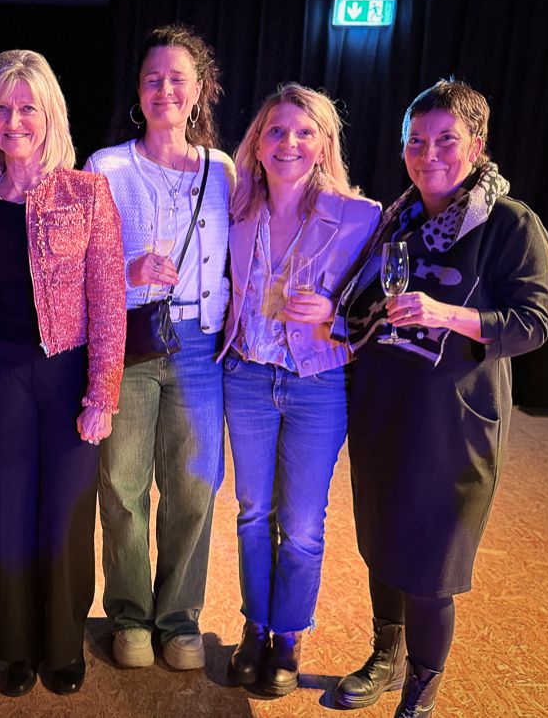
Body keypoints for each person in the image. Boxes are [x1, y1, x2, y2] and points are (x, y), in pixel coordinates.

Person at [332, 79, 548, 717]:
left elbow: (533, 324)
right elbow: (360, 303)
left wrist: (445, 314)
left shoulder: (510, 224)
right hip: (383, 406)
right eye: (416, 141)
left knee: (432, 566)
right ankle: (385, 656)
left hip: (453, 424)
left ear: (477, 145)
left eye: (446, 140)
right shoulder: (396, 218)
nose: (429, 154)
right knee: (381, 541)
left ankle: (421, 693)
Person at [0, 49, 125, 697]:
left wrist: (101, 395)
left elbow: (109, 302)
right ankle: (14, 646)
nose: (13, 121)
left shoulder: (87, 192)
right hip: (3, 372)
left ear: (49, 115)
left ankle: (63, 647)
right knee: (8, 512)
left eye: (26, 108)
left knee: (65, 517)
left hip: (69, 374)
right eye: (1, 108)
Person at [218, 83, 380, 695]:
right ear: (257, 143)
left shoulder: (361, 216)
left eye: (304, 132)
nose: (289, 142)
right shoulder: (235, 208)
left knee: (304, 522)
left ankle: (288, 634)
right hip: (247, 375)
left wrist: (333, 315)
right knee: (252, 512)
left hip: (317, 383)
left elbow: (377, 309)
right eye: (277, 130)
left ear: (324, 143)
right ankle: (255, 627)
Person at [84, 24, 233, 671]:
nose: (165, 89)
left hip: (199, 343)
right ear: (138, 92)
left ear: (200, 90)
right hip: (129, 340)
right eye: (153, 78)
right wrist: (129, 271)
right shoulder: (106, 167)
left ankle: (179, 618)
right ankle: (130, 616)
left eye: (178, 78)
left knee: (194, 486)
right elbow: (80, 266)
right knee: (122, 486)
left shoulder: (224, 170)